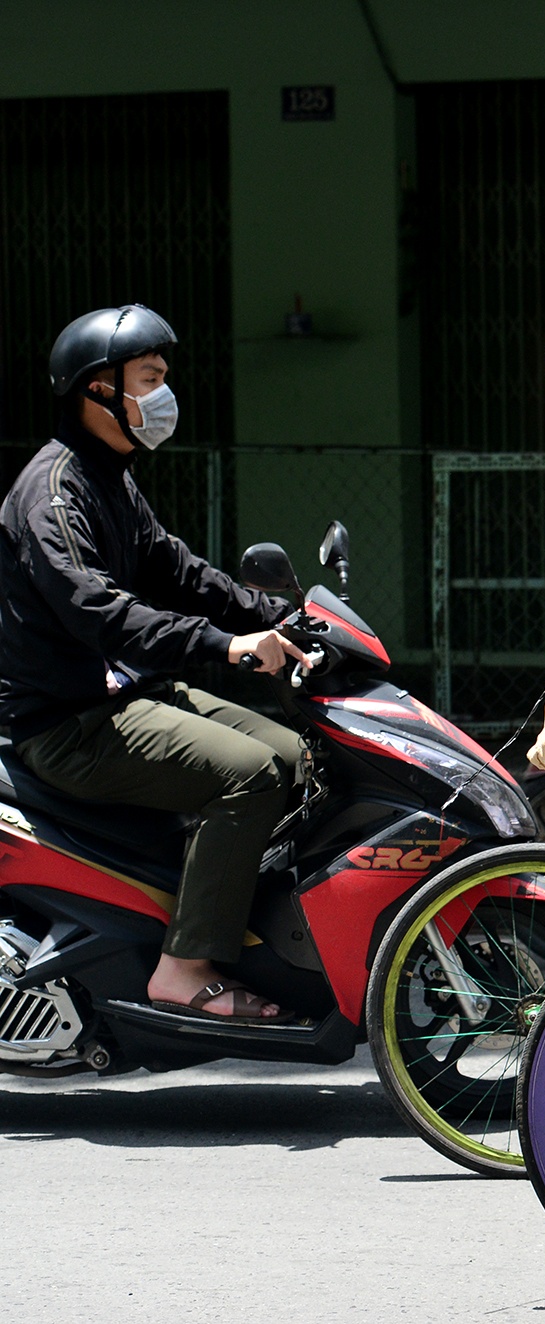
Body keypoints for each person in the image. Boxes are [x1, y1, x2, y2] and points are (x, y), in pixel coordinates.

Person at [0, 306, 314, 1022]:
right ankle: (184, 965)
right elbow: (97, 608)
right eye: (150, 378)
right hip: (65, 722)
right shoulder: (53, 490)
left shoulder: (109, 477)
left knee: (297, 755)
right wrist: (226, 645)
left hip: (118, 696)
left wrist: (281, 618)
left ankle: (243, 921)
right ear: (99, 389)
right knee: (249, 775)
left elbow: (177, 570)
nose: (163, 393)